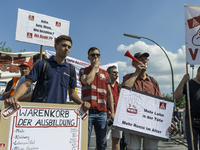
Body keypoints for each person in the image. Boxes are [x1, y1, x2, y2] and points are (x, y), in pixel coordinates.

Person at [5, 35, 90, 112]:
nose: (67, 48)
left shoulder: (71, 69)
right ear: (55, 46)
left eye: (69, 47)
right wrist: (15, 97)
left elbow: (72, 93)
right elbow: (27, 84)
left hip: (59, 113)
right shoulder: (42, 64)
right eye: (63, 45)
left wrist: (83, 103)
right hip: (39, 110)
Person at [122, 52, 161, 150]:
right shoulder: (128, 77)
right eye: (141, 60)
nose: (144, 62)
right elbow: (124, 90)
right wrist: (137, 73)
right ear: (134, 64)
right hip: (132, 122)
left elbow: (160, 104)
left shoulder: (153, 81)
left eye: (146, 60)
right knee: (133, 148)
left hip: (149, 124)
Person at [79, 47, 114, 150]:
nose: (95, 56)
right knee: (85, 142)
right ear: (88, 57)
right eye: (93, 55)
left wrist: (111, 111)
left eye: (97, 55)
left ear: (100, 57)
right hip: (87, 111)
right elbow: (87, 82)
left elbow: (109, 94)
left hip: (102, 112)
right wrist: (94, 68)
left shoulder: (106, 73)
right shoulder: (83, 71)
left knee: (102, 144)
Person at [174, 70, 200, 150]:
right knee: (192, 147)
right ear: (198, 71)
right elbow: (177, 96)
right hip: (191, 121)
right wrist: (183, 81)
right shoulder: (189, 84)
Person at [106, 65, 122, 150]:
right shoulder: (104, 85)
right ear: (108, 74)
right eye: (114, 72)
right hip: (107, 117)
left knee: (116, 141)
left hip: (118, 117)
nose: (116, 74)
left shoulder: (120, 86)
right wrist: (107, 111)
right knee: (102, 141)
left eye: (117, 72)